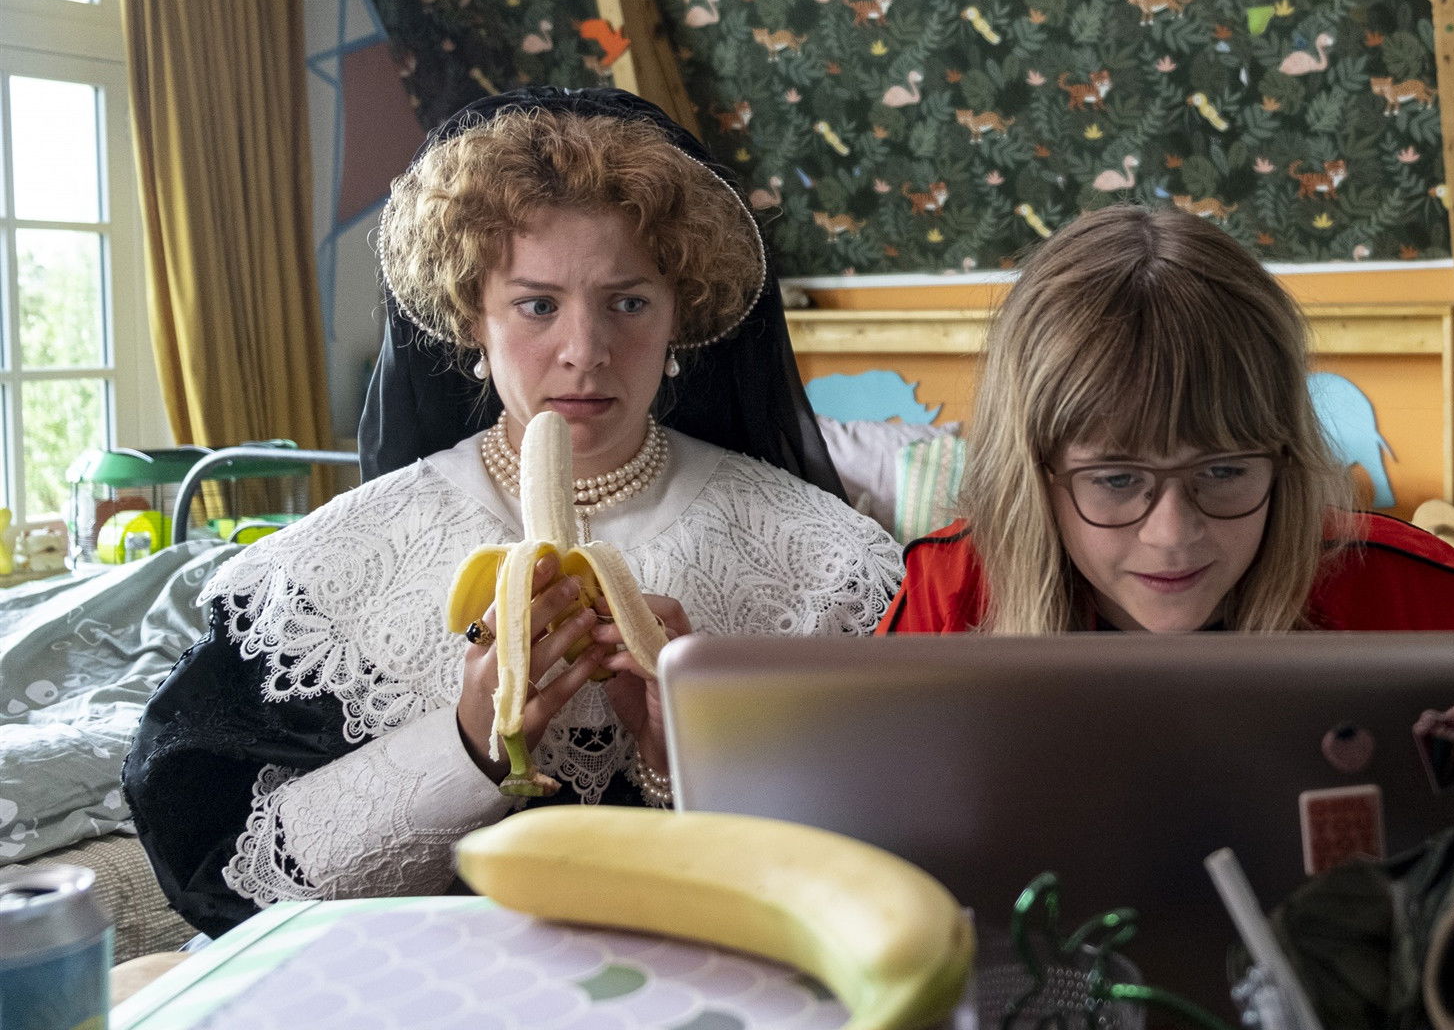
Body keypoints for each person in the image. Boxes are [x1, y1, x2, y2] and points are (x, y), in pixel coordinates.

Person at [124, 88, 903, 937]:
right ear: (472, 317)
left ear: (679, 311)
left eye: (629, 302)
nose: (585, 352)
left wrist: (685, 763)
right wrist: (468, 743)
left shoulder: (827, 563)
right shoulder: (328, 570)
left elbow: (893, 862)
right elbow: (233, 878)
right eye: (538, 305)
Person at [879, 205, 1454, 779]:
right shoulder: (949, 595)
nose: (1172, 534)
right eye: (1117, 480)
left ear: (1285, 461)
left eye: (1223, 472)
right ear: (1034, 474)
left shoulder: (1410, 594)